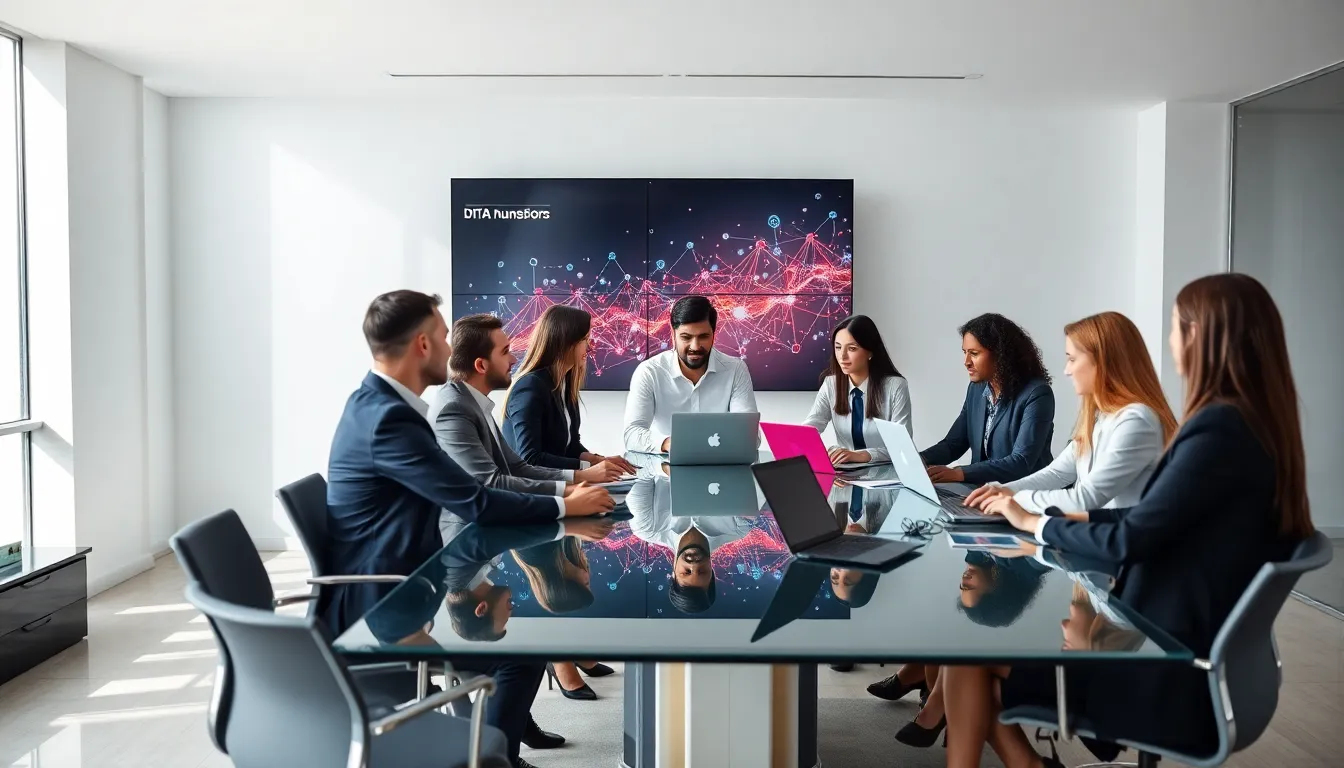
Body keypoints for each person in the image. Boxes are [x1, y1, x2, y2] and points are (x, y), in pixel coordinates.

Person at [944, 274, 1315, 768]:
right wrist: (1037, 512)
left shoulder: (1216, 430)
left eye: (1176, 328)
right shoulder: (1252, 429)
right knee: (968, 653)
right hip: (1187, 653)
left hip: (1167, 671)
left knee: (963, 656)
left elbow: (1133, 537)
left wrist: (1035, 523)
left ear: (1203, 336)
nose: (1170, 341)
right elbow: (1145, 521)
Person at [325, 290, 614, 768]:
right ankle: (491, 757)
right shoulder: (390, 420)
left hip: (411, 579)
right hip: (386, 604)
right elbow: (476, 499)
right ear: (422, 345)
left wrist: (566, 497)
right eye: (441, 336)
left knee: (523, 643)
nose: (449, 349)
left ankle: (496, 738)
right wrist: (564, 506)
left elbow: (480, 486)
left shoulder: (382, 406)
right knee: (520, 655)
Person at [428, 314, 626, 535]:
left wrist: (576, 483)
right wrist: (568, 501)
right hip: (464, 538)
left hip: (490, 529)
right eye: (505, 352)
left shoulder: (471, 403)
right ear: (481, 365)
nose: (513, 359)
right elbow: (491, 483)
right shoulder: (454, 409)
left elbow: (516, 468)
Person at [964, 311, 1178, 514]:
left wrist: (1011, 500)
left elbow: (1085, 498)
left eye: (1072, 359)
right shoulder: (1100, 418)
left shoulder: (1136, 421)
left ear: (1103, 363)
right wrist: (1003, 490)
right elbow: (1056, 473)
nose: (1067, 370)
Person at [920, 313, 1056, 485]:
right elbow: (953, 444)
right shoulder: (976, 389)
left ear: (1000, 355)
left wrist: (959, 473)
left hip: (1023, 496)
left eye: (974, 353)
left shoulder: (1037, 394)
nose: (966, 362)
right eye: (965, 353)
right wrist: (918, 459)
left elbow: (1021, 462)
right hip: (982, 494)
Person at [501, 305, 636, 473]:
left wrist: (599, 460)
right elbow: (530, 459)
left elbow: (570, 447)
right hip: (531, 492)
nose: (590, 347)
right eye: (585, 340)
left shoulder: (563, 385)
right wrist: (588, 468)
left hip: (554, 485)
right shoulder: (530, 387)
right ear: (565, 342)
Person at [623, 295, 759, 453]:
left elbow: (751, 437)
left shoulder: (736, 369)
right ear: (673, 335)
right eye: (686, 337)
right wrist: (670, 443)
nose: (695, 346)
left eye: (703, 337)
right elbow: (631, 434)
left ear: (714, 334)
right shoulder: (649, 372)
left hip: (719, 464)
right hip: (664, 467)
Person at [625, 468, 755, 613]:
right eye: (702, 571)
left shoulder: (646, 528)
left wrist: (667, 468)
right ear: (713, 573)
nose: (693, 565)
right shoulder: (739, 527)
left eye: (686, 572)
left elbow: (636, 470)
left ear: (672, 574)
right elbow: (743, 471)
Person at [803, 314, 913, 466]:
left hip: (885, 474)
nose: (842, 356)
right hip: (845, 474)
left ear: (870, 352)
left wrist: (861, 455)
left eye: (852, 348)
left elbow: (902, 447)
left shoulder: (895, 386)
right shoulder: (831, 384)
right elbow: (811, 426)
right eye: (838, 347)